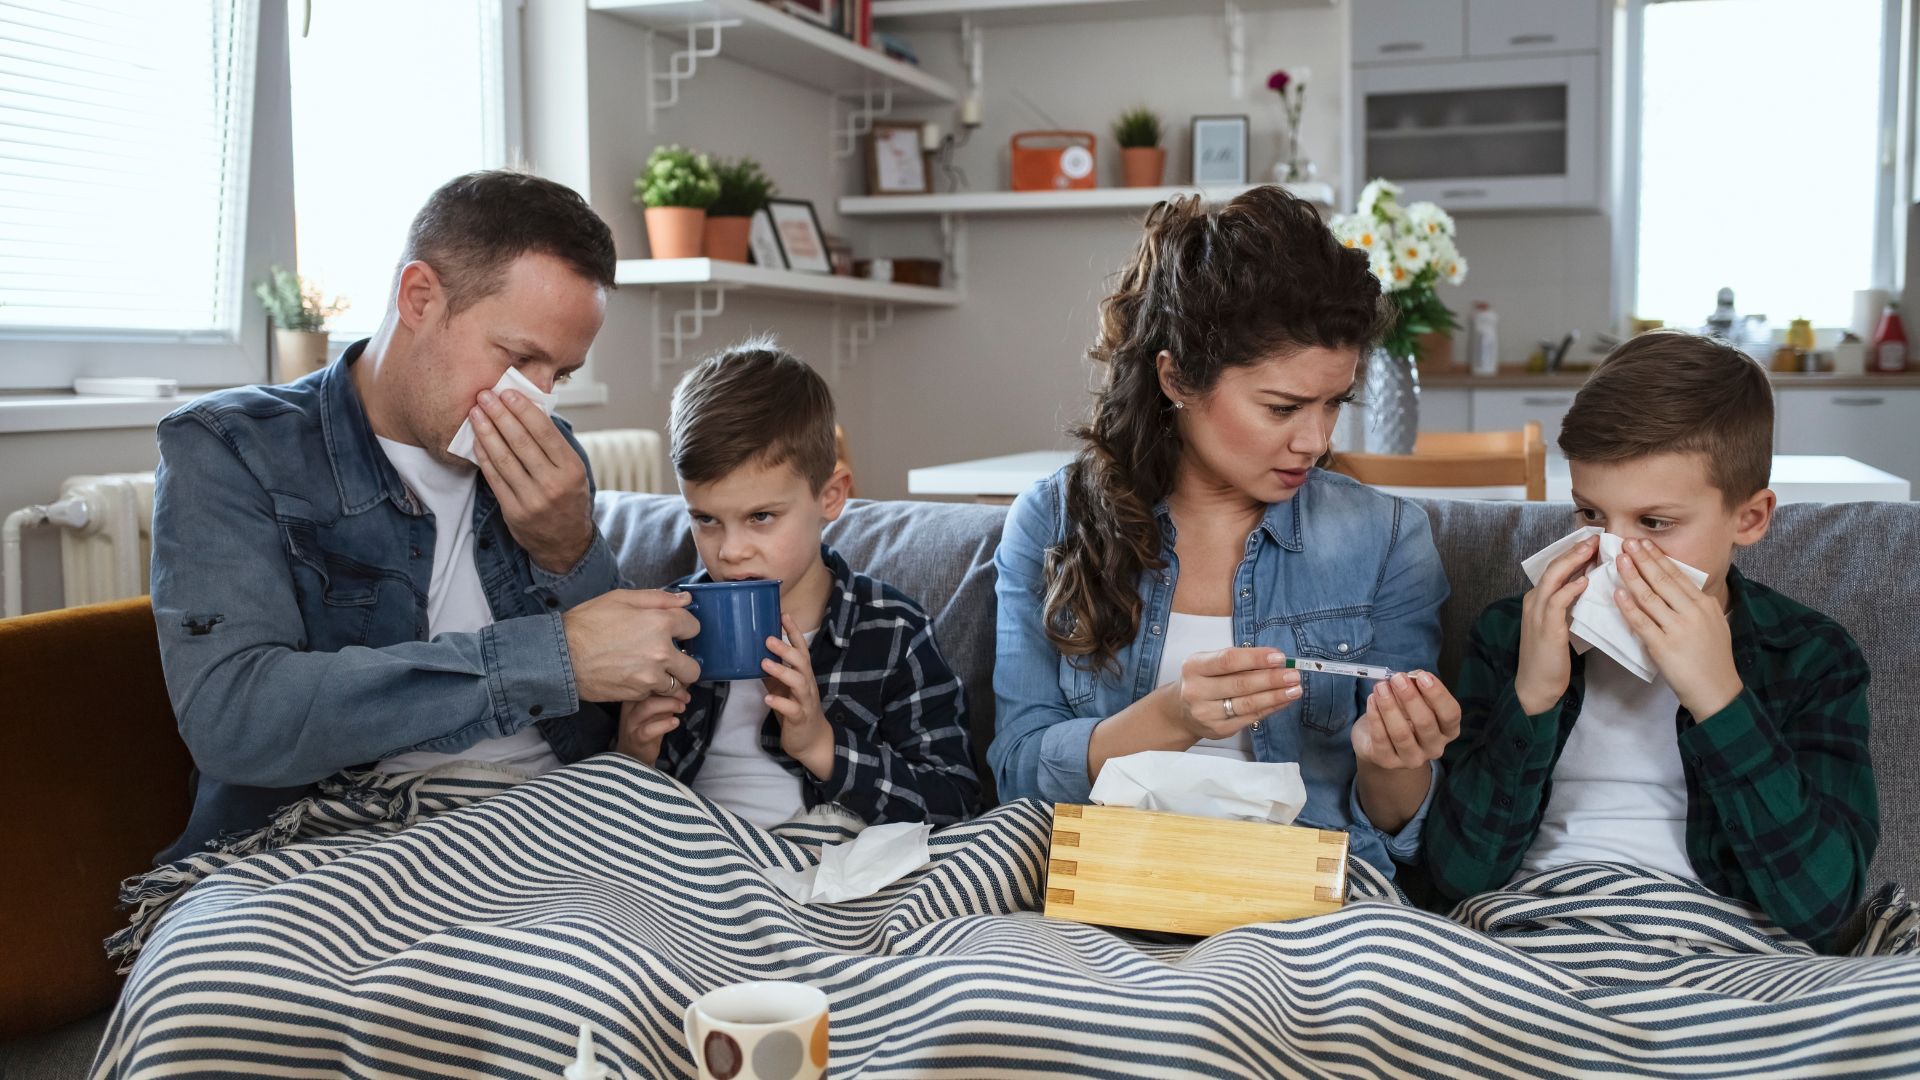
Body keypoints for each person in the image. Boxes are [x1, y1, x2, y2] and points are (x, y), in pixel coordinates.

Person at [149, 170, 701, 863]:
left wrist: (569, 549)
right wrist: (546, 659)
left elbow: (615, 702)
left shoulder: (553, 461)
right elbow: (236, 720)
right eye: (518, 358)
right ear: (419, 298)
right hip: (334, 842)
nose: (534, 402)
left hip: (553, 829)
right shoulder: (233, 449)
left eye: (557, 375)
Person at [989, 187, 1459, 875]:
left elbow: (1391, 830)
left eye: (1335, 403)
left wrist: (1395, 760)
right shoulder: (1054, 520)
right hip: (1108, 880)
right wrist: (1173, 719)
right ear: (1176, 378)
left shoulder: (1387, 539)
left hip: (1305, 899)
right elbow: (1015, 777)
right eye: (1283, 407)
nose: (1316, 440)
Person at [1423, 331, 1878, 944]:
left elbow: (1822, 906)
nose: (1615, 553)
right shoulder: (1513, 633)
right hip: (1529, 931)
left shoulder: (1809, 656)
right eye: (1591, 515)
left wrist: (1720, 699)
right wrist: (1533, 694)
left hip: (1723, 945)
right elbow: (1457, 873)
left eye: (1655, 524)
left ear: (1749, 518)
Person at [616, 343, 981, 827]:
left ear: (830, 497)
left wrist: (820, 745)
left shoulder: (893, 632)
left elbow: (955, 803)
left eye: (760, 517)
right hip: (692, 862)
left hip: (828, 862)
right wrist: (630, 754)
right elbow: (626, 812)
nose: (730, 551)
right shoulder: (666, 624)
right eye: (705, 519)